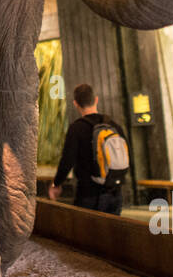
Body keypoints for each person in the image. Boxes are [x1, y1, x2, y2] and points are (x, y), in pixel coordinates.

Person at [51, 83, 128, 215]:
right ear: (96, 99)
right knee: (112, 233)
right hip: (115, 193)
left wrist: (57, 184)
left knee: (87, 233)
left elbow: (67, 160)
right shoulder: (114, 125)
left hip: (89, 195)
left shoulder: (76, 128)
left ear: (75, 104)